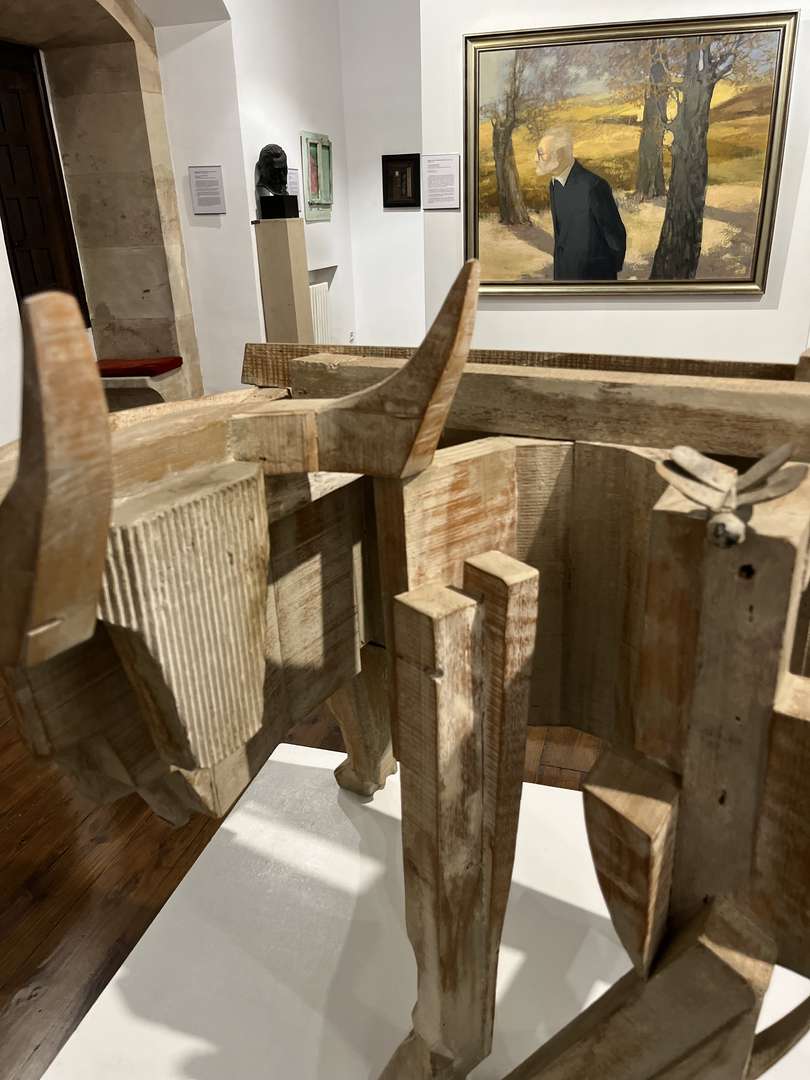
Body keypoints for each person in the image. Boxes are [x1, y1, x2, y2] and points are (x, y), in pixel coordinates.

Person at [535, 129, 626, 281]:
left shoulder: (594, 186)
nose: (535, 159)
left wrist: (607, 271)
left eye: (540, 154)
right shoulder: (554, 184)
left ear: (559, 154)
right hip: (564, 276)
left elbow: (615, 235)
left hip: (594, 279)